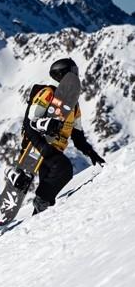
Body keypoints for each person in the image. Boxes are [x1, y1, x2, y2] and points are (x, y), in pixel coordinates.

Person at [22, 58, 105, 214]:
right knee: (64, 169)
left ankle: (37, 218)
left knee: (49, 194)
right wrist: (42, 146)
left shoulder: (74, 106)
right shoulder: (48, 94)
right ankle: (40, 202)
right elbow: (29, 123)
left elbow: (77, 135)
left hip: (54, 151)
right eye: (73, 71)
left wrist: (91, 153)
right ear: (63, 73)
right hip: (40, 146)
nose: (76, 75)